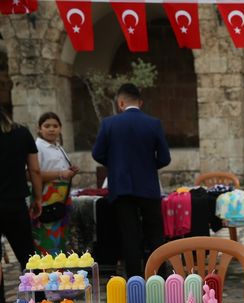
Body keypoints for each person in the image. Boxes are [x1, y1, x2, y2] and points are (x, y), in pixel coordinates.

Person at [92, 83, 171, 277]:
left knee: (129, 236)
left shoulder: (109, 124)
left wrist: (115, 165)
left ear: (120, 102)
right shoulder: (154, 123)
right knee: (154, 234)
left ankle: (134, 280)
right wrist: (148, 166)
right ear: (140, 102)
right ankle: (158, 277)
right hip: (149, 187)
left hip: (121, 187)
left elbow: (97, 153)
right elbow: (164, 158)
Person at [0, 109, 42, 303]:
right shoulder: (22, 133)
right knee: (28, 256)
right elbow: (34, 169)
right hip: (15, 203)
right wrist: (38, 199)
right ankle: (40, 302)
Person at [32, 112, 79, 255]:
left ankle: (59, 272)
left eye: (55, 126)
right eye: (47, 126)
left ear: (60, 128)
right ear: (39, 129)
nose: (51, 129)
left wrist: (69, 171)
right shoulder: (38, 147)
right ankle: (47, 274)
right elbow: (32, 174)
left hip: (61, 200)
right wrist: (60, 173)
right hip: (46, 200)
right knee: (47, 239)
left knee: (60, 240)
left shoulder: (58, 147)